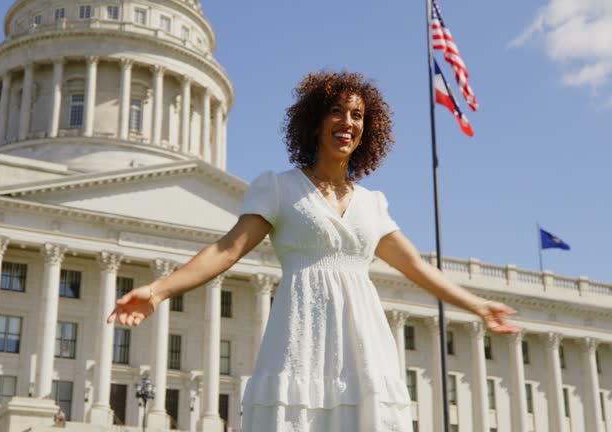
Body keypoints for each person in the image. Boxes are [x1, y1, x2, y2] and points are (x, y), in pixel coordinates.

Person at [106, 71, 520, 431]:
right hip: (301, 334)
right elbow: (227, 249)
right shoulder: (280, 187)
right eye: (337, 111)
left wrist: (478, 305)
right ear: (315, 121)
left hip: (362, 340)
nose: (347, 122)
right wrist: (159, 290)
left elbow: (414, 266)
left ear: (367, 129)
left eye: (357, 115)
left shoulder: (373, 203)